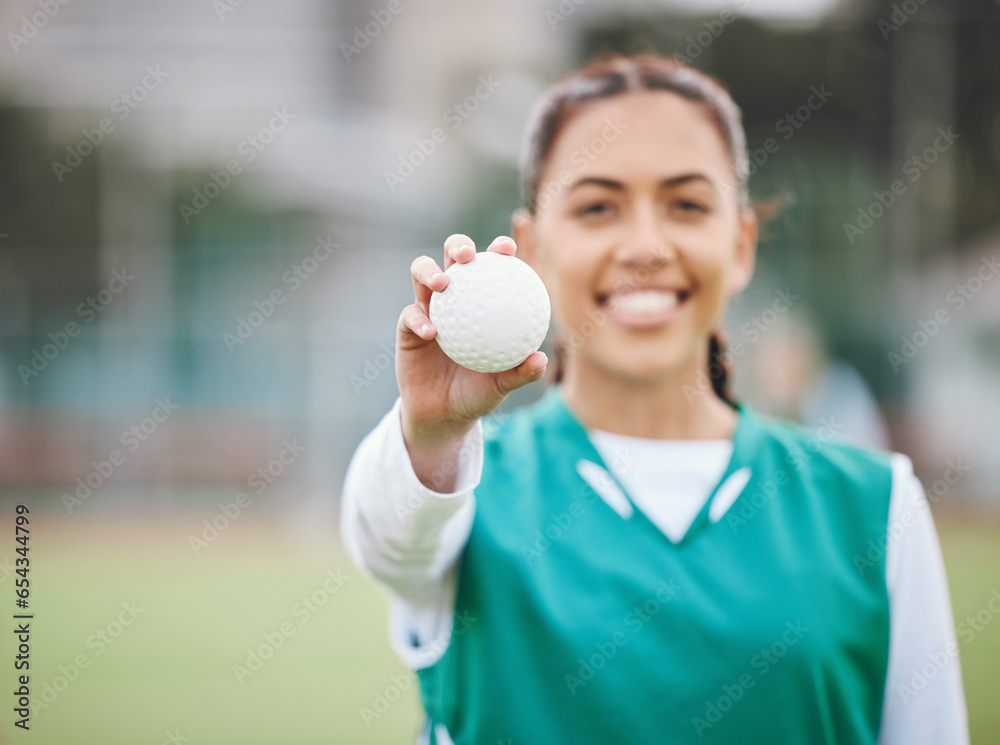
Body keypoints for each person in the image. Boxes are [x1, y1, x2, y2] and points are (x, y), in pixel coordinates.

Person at [341, 54, 968, 744]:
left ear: (740, 244)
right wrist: (430, 433)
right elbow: (386, 537)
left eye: (688, 205)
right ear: (531, 247)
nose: (645, 244)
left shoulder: (874, 503)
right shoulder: (456, 484)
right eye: (598, 206)